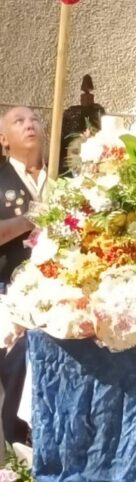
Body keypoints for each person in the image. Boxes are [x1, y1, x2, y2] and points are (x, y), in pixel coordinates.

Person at [0, 106, 46, 443]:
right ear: (4, 139)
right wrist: (32, 218)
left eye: (34, 119)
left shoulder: (64, 179)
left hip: (58, 292)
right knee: (19, 366)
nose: (29, 124)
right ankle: (17, 452)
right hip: (8, 292)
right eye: (19, 121)